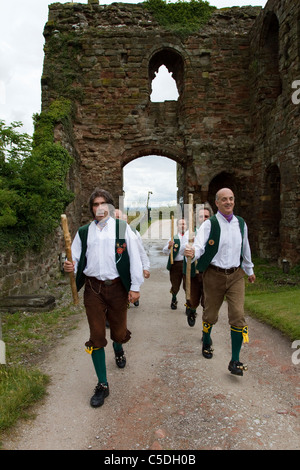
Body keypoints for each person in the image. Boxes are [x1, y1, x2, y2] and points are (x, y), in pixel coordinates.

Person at [64, 188, 143, 407]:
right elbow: (75, 258)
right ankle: (102, 384)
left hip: (118, 288)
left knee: (118, 332)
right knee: (97, 335)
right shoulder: (84, 232)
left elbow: (134, 257)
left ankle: (118, 347)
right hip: (93, 289)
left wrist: (135, 287)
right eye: (95, 204)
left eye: (103, 203)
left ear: (109, 206)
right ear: (91, 208)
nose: (99, 208)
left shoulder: (122, 228)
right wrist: (69, 264)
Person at [184, 188, 255, 376]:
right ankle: (206, 338)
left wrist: (249, 270)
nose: (228, 202)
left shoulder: (240, 223)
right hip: (214, 275)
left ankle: (235, 360)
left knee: (238, 315)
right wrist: (192, 252)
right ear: (217, 203)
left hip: (236, 275)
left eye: (231, 198)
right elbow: (199, 246)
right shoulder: (210, 224)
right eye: (224, 199)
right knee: (210, 314)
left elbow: (245, 247)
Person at [182, 204, 213, 327]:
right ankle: (192, 311)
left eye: (206, 216)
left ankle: (206, 334)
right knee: (192, 299)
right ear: (197, 219)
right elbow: (182, 251)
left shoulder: (214, 233)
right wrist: (190, 245)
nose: (204, 219)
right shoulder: (190, 233)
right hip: (193, 271)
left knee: (208, 303)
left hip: (208, 272)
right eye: (201, 216)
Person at [115, 208, 150, 306]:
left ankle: (133, 294)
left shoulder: (133, 232)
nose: (116, 219)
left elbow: (141, 252)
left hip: (130, 265)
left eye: (119, 217)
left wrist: (145, 267)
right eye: (114, 217)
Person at [163, 218, 187, 309]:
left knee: (188, 286)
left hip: (187, 264)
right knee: (175, 285)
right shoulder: (174, 237)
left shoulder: (191, 237)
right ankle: (174, 299)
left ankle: (189, 304)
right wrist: (169, 246)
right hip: (176, 265)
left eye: (184, 224)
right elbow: (165, 251)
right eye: (180, 224)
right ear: (177, 226)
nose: (182, 226)